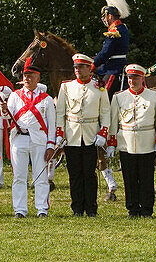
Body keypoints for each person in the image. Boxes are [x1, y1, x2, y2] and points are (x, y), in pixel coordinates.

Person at [56, 53, 110, 217]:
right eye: (75, 67)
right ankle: (77, 208)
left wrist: (103, 132)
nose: (77, 70)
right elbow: (60, 112)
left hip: (90, 135)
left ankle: (91, 207)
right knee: (74, 174)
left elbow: (106, 112)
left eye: (80, 67)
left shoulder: (99, 87)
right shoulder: (66, 87)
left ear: (89, 68)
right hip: (72, 135)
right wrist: (60, 132)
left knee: (89, 173)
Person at [109, 64, 156, 217]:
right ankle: (132, 208)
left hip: (147, 141)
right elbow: (114, 121)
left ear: (142, 78)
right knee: (129, 178)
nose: (132, 81)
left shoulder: (154, 96)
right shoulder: (119, 97)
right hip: (126, 142)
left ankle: (147, 209)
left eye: (135, 78)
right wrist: (111, 141)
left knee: (147, 177)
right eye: (129, 78)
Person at [7, 57, 56, 217]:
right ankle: (20, 210)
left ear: (38, 78)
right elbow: (6, 117)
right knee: (19, 177)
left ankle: (42, 209)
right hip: (19, 138)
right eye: (25, 75)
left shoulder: (47, 99)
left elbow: (51, 125)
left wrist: (50, 145)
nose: (27, 78)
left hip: (39, 140)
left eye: (30, 75)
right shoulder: (15, 96)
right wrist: (3, 109)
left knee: (40, 176)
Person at [94, 0, 131, 92]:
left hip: (114, 68)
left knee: (103, 93)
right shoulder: (122, 27)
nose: (104, 20)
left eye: (105, 17)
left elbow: (106, 52)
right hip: (117, 65)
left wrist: (93, 64)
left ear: (109, 16)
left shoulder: (114, 30)